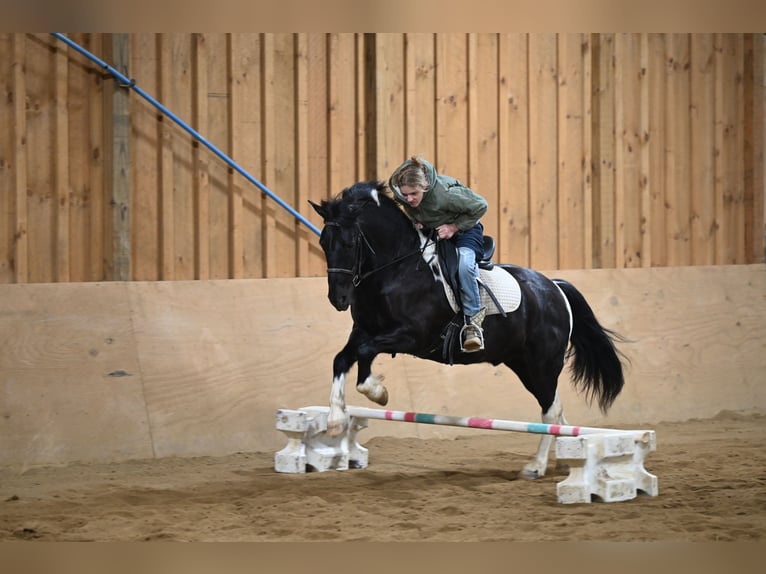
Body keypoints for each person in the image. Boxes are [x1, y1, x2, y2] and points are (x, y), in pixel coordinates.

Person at [388, 155, 488, 352]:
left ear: (424, 187)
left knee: (464, 265)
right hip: (435, 232)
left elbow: (481, 206)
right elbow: (411, 208)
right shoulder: (403, 196)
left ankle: (473, 324)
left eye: (414, 194)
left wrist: (453, 227)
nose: (409, 199)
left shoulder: (445, 194)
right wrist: (418, 220)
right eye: (405, 195)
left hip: (466, 231)